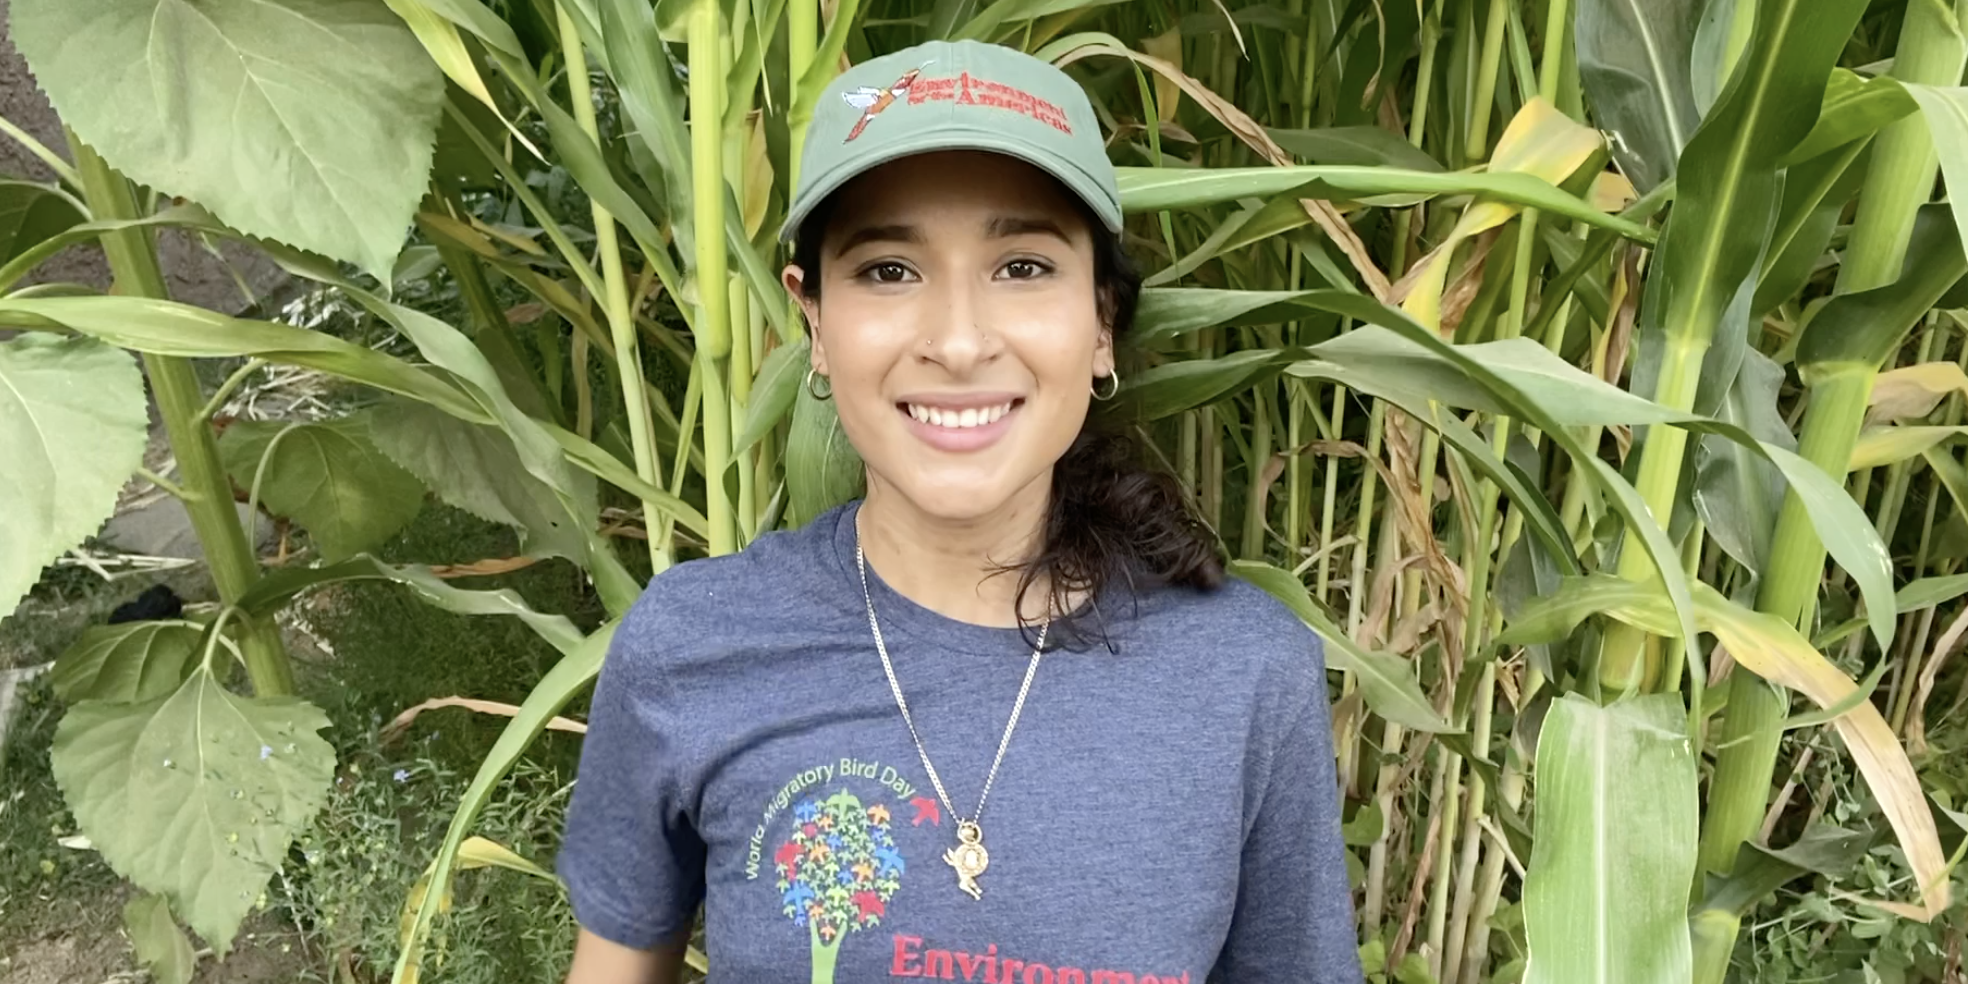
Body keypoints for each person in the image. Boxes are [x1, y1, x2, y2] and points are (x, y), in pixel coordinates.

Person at [557, 38, 1360, 984]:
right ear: (815, 321)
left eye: (1022, 266)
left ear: (1102, 321)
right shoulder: (692, 646)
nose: (959, 341)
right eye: (889, 271)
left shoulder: (1245, 674)